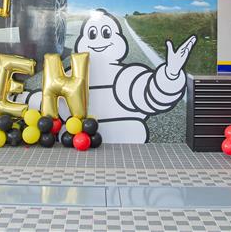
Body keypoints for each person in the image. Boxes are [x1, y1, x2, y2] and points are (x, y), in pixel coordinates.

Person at [25, 8, 196, 143]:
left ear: (119, 40)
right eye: (92, 34)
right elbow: (48, 98)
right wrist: (22, 99)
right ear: (82, 40)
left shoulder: (127, 76)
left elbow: (151, 93)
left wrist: (170, 74)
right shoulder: (68, 76)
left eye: (107, 33)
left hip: (131, 141)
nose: (99, 40)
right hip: (75, 138)